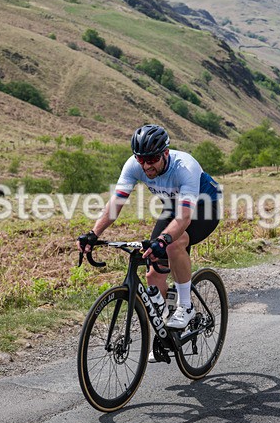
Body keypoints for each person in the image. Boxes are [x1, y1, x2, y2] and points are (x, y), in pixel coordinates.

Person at [77, 124, 221, 333]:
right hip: (173, 205)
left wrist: (163, 240)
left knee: (173, 245)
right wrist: (94, 233)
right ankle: (166, 330)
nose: (146, 167)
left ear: (165, 153)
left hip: (205, 206)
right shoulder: (134, 165)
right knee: (153, 274)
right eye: (141, 159)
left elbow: (185, 218)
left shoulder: (185, 167)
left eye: (152, 159)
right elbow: (116, 203)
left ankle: (186, 306)